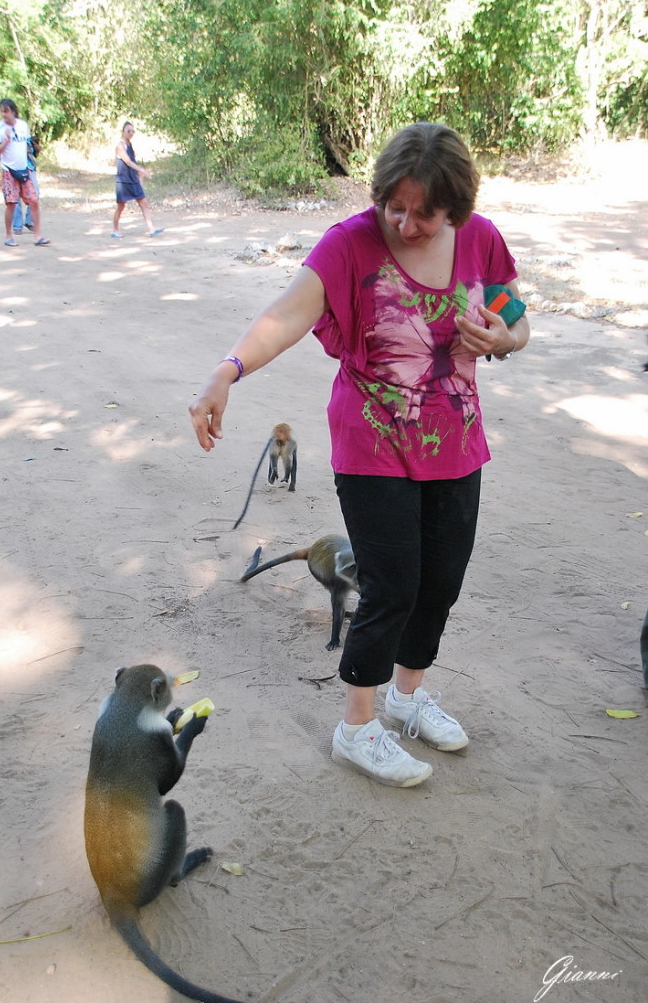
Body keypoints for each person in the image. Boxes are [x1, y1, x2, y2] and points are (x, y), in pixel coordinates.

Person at [190, 122, 530, 789]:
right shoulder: (350, 244)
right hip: (371, 440)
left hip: (456, 443)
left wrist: (502, 338)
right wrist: (227, 370)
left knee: (441, 582)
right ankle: (357, 726)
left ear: (454, 207)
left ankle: (406, 698)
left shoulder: (480, 239)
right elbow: (287, 315)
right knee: (392, 586)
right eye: (392, 206)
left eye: (423, 213)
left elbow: (515, 319)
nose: (404, 222)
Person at [0, 99, 49, 247]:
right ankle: (9, 236)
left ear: (13, 111)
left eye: (6, 111)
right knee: (11, 203)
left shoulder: (23, 125)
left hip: (24, 169)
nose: (4, 114)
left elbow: (26, 146)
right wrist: (6, 140)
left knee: (34, 200)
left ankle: (37, 236)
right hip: (8, 170)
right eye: (2, 111)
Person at [111, 122, 163, 238]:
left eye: (132, 131)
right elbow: (128, 162)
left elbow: (133, 161)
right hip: (123, 181)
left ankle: (151, 229)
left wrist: (139, 175)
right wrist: (142, 170)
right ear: (123, 132)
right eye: (128, 131)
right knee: (121, 206)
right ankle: (115, 229)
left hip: (132, 179)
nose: (131, 133)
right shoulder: (120, 146)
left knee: (144, 203)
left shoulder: (130, 145)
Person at [12, 133, 40, 234]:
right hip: (14, 168)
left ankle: (30, 221)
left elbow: (34, 150)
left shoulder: (26, 135)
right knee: (15, 196)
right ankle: (17, 225)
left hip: (29, 167)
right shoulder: (9, 135)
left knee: (34, 194)